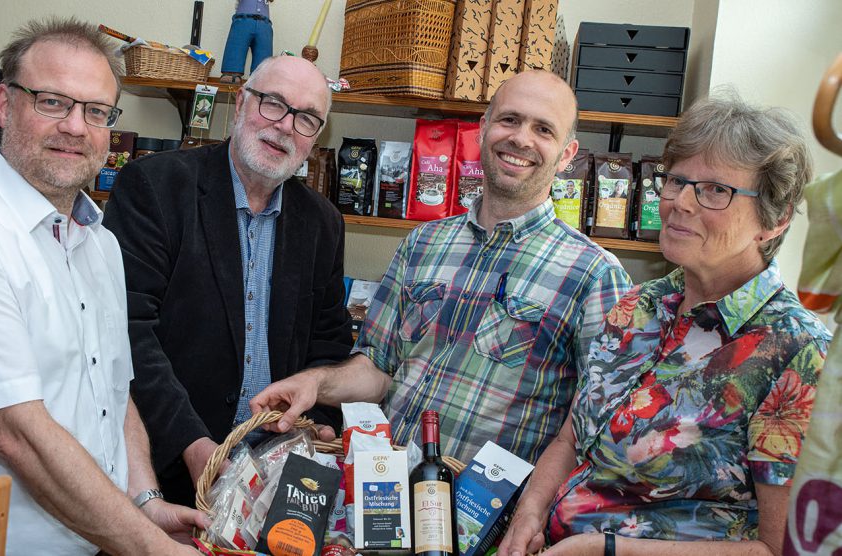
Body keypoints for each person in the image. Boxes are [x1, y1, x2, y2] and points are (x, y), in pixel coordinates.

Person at [0, 18, 208, 556]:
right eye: (51, 102)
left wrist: (144, 501)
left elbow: (115, 392)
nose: (75, 127)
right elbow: (17, 434)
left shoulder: (100, 242)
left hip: (98, 538)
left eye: (95, 111)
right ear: (3, 103)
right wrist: (152, 548)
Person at [498, 94, 831, 556]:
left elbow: (780, 549)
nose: (679, 202)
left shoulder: (799, 353)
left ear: (773, 221)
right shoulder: (638, 304)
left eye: (716, 189)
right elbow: (571, 437)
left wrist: (604, 549)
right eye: (676, 180)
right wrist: (529, 514)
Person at [251, 70, 632, 464]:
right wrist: (314, 382)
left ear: (567, 155)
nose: (521, 139)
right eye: (510, 120)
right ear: (484, 129)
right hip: (385, 495)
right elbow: (378, 368)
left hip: (489, 517)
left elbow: (593, 430)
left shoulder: (595, 276)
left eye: (544, 130)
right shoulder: (424, 243)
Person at [103, 55, 353, 507]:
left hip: (272, 475)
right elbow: (128, 330)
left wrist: (305, 427)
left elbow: (329, 348)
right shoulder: (157, 186)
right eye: (273, 104)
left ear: (317, 137)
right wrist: (194, 444)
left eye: (307, 118)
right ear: (239, 104)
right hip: (163, 467)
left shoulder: (323, 223)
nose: (284, 127)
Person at [220, 0, 275, 84]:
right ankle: (232, 71)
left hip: (264, 23)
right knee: (237, 44)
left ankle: (260, 76)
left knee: (264, 51)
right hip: (243, 19)